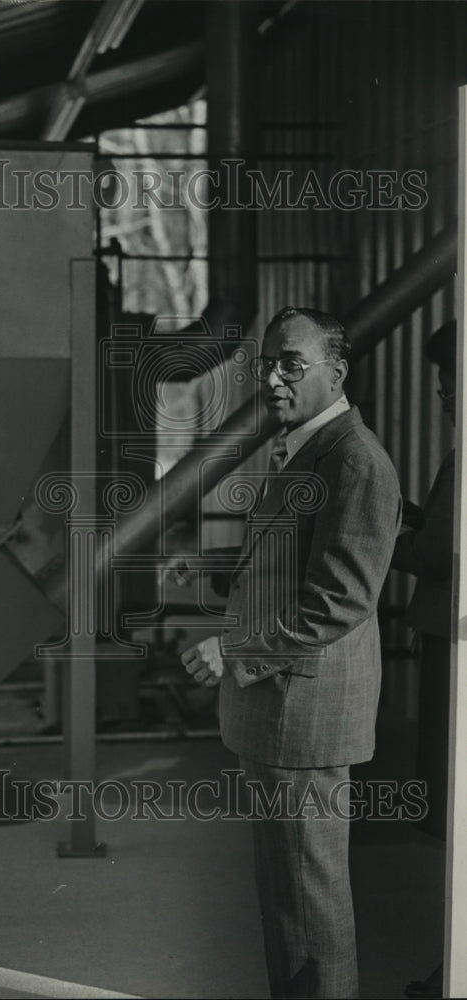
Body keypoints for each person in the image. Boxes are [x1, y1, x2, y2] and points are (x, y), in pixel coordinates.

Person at [182, 306, 402, 999]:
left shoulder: (355, 461)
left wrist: (232, 648)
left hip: (304, 713)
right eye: (268, 364)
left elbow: (338, 601)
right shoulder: (305, 446)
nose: (273, 379)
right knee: (288, 901)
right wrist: (212, 566)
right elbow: (288, 560)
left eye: (291, 365)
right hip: (283, 710)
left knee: (309, 906)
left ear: (336, 372)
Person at [391, 320, 456, 1000]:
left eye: (449, 389)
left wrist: (375, 532)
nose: (443, 404)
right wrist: (404, 511)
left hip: (450, 643)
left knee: (450, 804)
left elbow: (438, 555)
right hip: (445, 636)